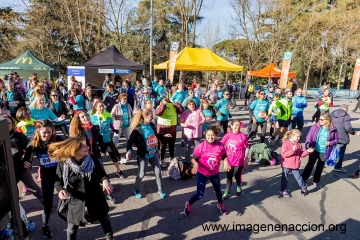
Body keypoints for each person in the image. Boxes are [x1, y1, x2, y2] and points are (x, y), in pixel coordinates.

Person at [50, 138, 114, 240]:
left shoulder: (92, 159)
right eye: (83, 146)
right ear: (74, 149)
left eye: (86, 145)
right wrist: (60, 190)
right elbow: (58, 181)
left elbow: (101, 174)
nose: (87, 147)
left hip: (95, 195)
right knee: (72, 227)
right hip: (75, 199)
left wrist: (105, 180)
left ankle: (109, 237)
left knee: (104, 218)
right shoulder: (64, 163)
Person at [22, 120, 64, 238]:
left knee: (75, 196)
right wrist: (25, 163)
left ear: (53, 131)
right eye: (44, 133)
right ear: (38, 131)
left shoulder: (58, 140)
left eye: (49, 132)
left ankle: (80, 217)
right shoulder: (34, 144)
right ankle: (45, 225)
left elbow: (71, 149)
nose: (47, 135)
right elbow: (25, 159)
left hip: (61, 175)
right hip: (47, 177)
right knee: (48, 204)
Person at [184, 125, 230, 217]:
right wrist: (195, 163)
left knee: (218, 192)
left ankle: (220, 204)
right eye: (208, 135)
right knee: (200, 195)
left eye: (212, 135)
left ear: (216, 135)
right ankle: (188, 204)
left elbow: (225, 156)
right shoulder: (201, 146)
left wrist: (226, 162)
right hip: (202, 174)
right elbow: (193, 158)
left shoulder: (220, 146)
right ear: (205, 135)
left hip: (214, 173)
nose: (210, 137)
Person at [126, 108, 166, 199]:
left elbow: (156, 135)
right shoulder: (138, 129)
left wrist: (163, 135)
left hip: (154, 153)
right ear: (144, 117)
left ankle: (160, 189)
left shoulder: (151, 125)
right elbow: (129, 142)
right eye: (151, 116)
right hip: (143, 155)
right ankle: (135, 189)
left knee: (158, 172)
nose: (152, 118)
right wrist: (129, 150)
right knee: (141, 174)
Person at [301, 113, 339, 189]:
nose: (319, 121)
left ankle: (316, 180)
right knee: (310, 165)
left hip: (324, 151)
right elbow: (309, 137)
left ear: (327, 120)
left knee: (320, 166)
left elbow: (336, 139)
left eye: (322, 119)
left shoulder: (333, 129)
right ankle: (303, 179)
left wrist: (330, 143)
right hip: (314, 149)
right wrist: (308, 146)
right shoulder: (315, 127)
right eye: (319, 119)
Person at [90, 101, 126, 179]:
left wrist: (114, 130)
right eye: (100, 106)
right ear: (95, 107)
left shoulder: (108, 116)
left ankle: (118, 171)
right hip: (96, 141)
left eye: (103, 106)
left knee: (113, 155)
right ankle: (101, 174)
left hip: (106, 140)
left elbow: (111, 125)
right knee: (97, 158)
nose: (102, 108)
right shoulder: (92, 117)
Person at [280, 129, 314, 197]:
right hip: (286, 164)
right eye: (297, 136)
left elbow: (301, 154)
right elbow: (284, 154)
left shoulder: (298, 144)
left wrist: (307, 151)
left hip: (295, 165)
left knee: (299, 177)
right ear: (292, 136)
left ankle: (304, 188)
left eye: (299, 137)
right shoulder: (286, 143)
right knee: (285, 178)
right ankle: (283, 189)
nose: (298, 138)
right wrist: (292, 150)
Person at [221, 120, 249, 199]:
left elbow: (247, 147)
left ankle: (239, 185)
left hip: (239, 161)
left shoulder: (243, 136)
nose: (237, 127)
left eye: (239, 125)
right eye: (235, 125)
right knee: (229, 176)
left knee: (237, 176)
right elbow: (221, 146)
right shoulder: (227, 135)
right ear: (232, 126)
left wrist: (246, 158)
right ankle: (227, 191)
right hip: (229, 160)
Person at [331, 104, 359, 173]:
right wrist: (353, 132)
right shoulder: (346, 116)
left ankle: (330, 161)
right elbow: (348, 127)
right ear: (346, 109)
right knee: (340, 152)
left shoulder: (332, 114)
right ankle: (337, 167)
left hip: (333, 135)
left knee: (334, 149)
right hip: (342, 137)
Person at [156, 98, 183, 167]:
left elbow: (181, 111)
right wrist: (163, 105)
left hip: (172, 129)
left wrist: (176, 104)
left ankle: (172, 158)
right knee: (163, 146)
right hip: (163, 129)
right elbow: (158, 113)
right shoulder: (159, 106)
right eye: (165, 101)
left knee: (172, 145)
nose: (167, 103)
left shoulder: (173, 106)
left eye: (168, 101)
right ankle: (161, 159)